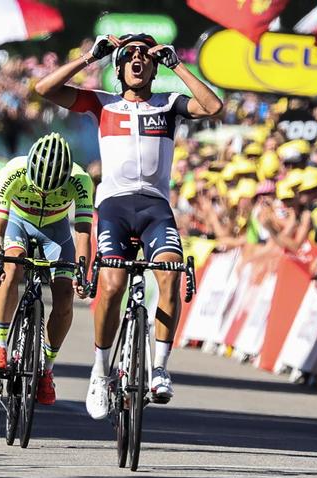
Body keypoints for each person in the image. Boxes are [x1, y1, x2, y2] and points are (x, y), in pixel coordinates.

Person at [35, 32, 222, 419]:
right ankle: (101, 373)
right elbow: (44, 88)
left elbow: (213, 106)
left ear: (153, 67)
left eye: (145, 56)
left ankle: (160, 369)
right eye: (130, 55)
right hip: (115, 208)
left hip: (156, 209)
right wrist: (91, 57)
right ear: (120, 69)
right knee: (114, 284)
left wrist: (177, 64)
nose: (138, 59)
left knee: (169, 276)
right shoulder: (102, 104)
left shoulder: (169, 104)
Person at [0, 133, 93, 406]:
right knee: (11, 267)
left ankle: (46, 368)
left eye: (52, 189)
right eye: (39, 186)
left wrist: (82, 271)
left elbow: (82, 233)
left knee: (65, 294)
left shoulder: (80, 181)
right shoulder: (12, 171)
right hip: (18, 225)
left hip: (57, 233)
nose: (44, 193)